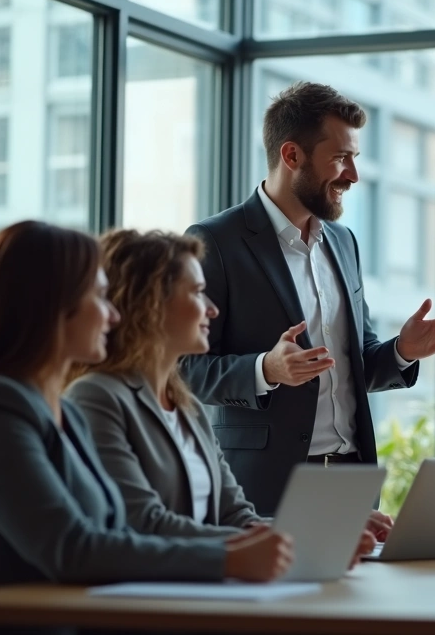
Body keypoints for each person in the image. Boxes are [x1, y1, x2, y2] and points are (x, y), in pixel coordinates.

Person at [0, 221, 293, 593]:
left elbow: (114, 534)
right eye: (100, 297)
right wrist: (230, 558)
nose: (114, 314)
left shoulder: (59, 413)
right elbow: (72, 548)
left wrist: (286, 544)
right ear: (53, 305)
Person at [180, 81, 435, 516]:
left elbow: (352, 367)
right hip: (265, 489)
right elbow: (183, 369)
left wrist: (403, 352)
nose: (352, 175)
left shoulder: (342, 241)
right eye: (340, 158)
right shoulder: (215, 242)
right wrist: (266, 370)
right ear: (292, 155)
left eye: (354, 158)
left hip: (351, 483)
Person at [66, 229, 384, 551]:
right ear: (149, 305)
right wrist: (304, 540)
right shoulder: (96, 398)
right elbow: (144, 522)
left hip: (203, 590)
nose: (212, 309)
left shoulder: (185, 408)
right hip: (155, 594)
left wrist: (328, 529)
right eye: (197, 292)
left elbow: (236, 516)